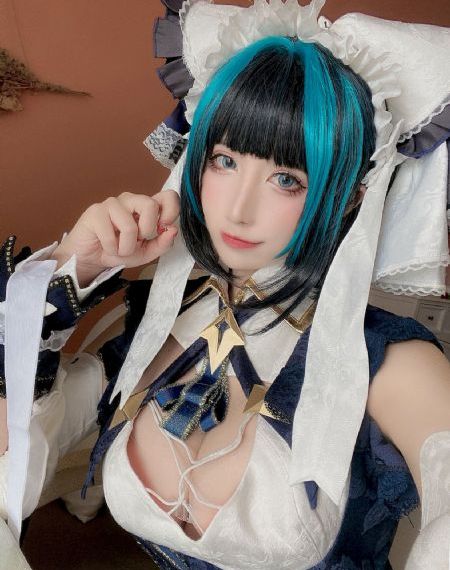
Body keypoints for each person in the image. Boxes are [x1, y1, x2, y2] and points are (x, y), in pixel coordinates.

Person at [1, 0, 450, 568]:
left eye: (286, 178)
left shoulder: (387, 362)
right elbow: (14, 441)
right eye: (224, 161)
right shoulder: (155, 325)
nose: (238, 209)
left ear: (349, 198)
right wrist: (72, 267)